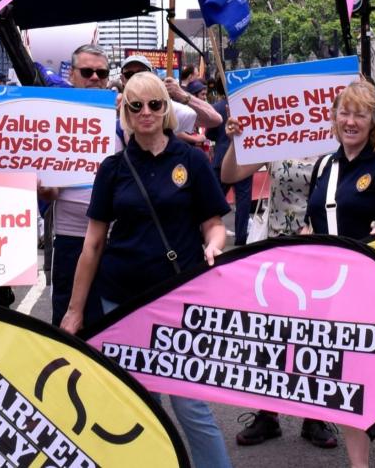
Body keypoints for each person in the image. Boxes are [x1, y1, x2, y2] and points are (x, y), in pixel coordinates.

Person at [61, 71, 232, 468]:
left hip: (181, 297)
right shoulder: (112, 168)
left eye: (155, 103)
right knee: (139, 405)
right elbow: (93, 243)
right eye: (136, 105)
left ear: (166, 108)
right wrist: (74, 309)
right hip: (121, 298)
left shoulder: (191, 159)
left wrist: (214, 244)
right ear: (125, 113)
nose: (146, 112)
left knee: (192, 406)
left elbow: (214, 224)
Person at [303, 80, 375, 467]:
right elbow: (313, 222)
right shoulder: (325, 164)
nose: (350, 121)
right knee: (347, 387)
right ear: (334, 117)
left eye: (360, 114)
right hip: (330, 294)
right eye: (344, 113)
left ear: (374, 121)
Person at [219, 120, 336, 449]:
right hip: (276, 250)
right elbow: (230, 175)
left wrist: (317, 225)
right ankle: (268, 414)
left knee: (316, 334)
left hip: (322, 250)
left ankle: (314, 415)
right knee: (273, 333)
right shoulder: (277, 138)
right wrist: (234, 141)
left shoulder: (337, 143)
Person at [42, 43, 112, 327]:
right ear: (72, 75)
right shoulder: (52, 121)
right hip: (72, 240)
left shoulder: (127, 116)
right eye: (87, 72)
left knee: (116, 322)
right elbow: (50, 189)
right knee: (69, 325)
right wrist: (45, 189)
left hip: (117, 240)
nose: (95, 78)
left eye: (101, 73)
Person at [118, 55, 223, 135]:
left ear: (152, 76)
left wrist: (182, 95)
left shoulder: (164, 108)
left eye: (153, 105)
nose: (136, 78)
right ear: (122, 79)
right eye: (129, 74)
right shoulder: (109, 108)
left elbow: (215, 119)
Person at [207, 81, 252, 247]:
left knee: (214, 200)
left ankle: (207, 230)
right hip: (240, 159)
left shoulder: (217, 107)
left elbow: (209, 133)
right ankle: (241, 237)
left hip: (222, 157)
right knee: (243, 201)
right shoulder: (245, 106)